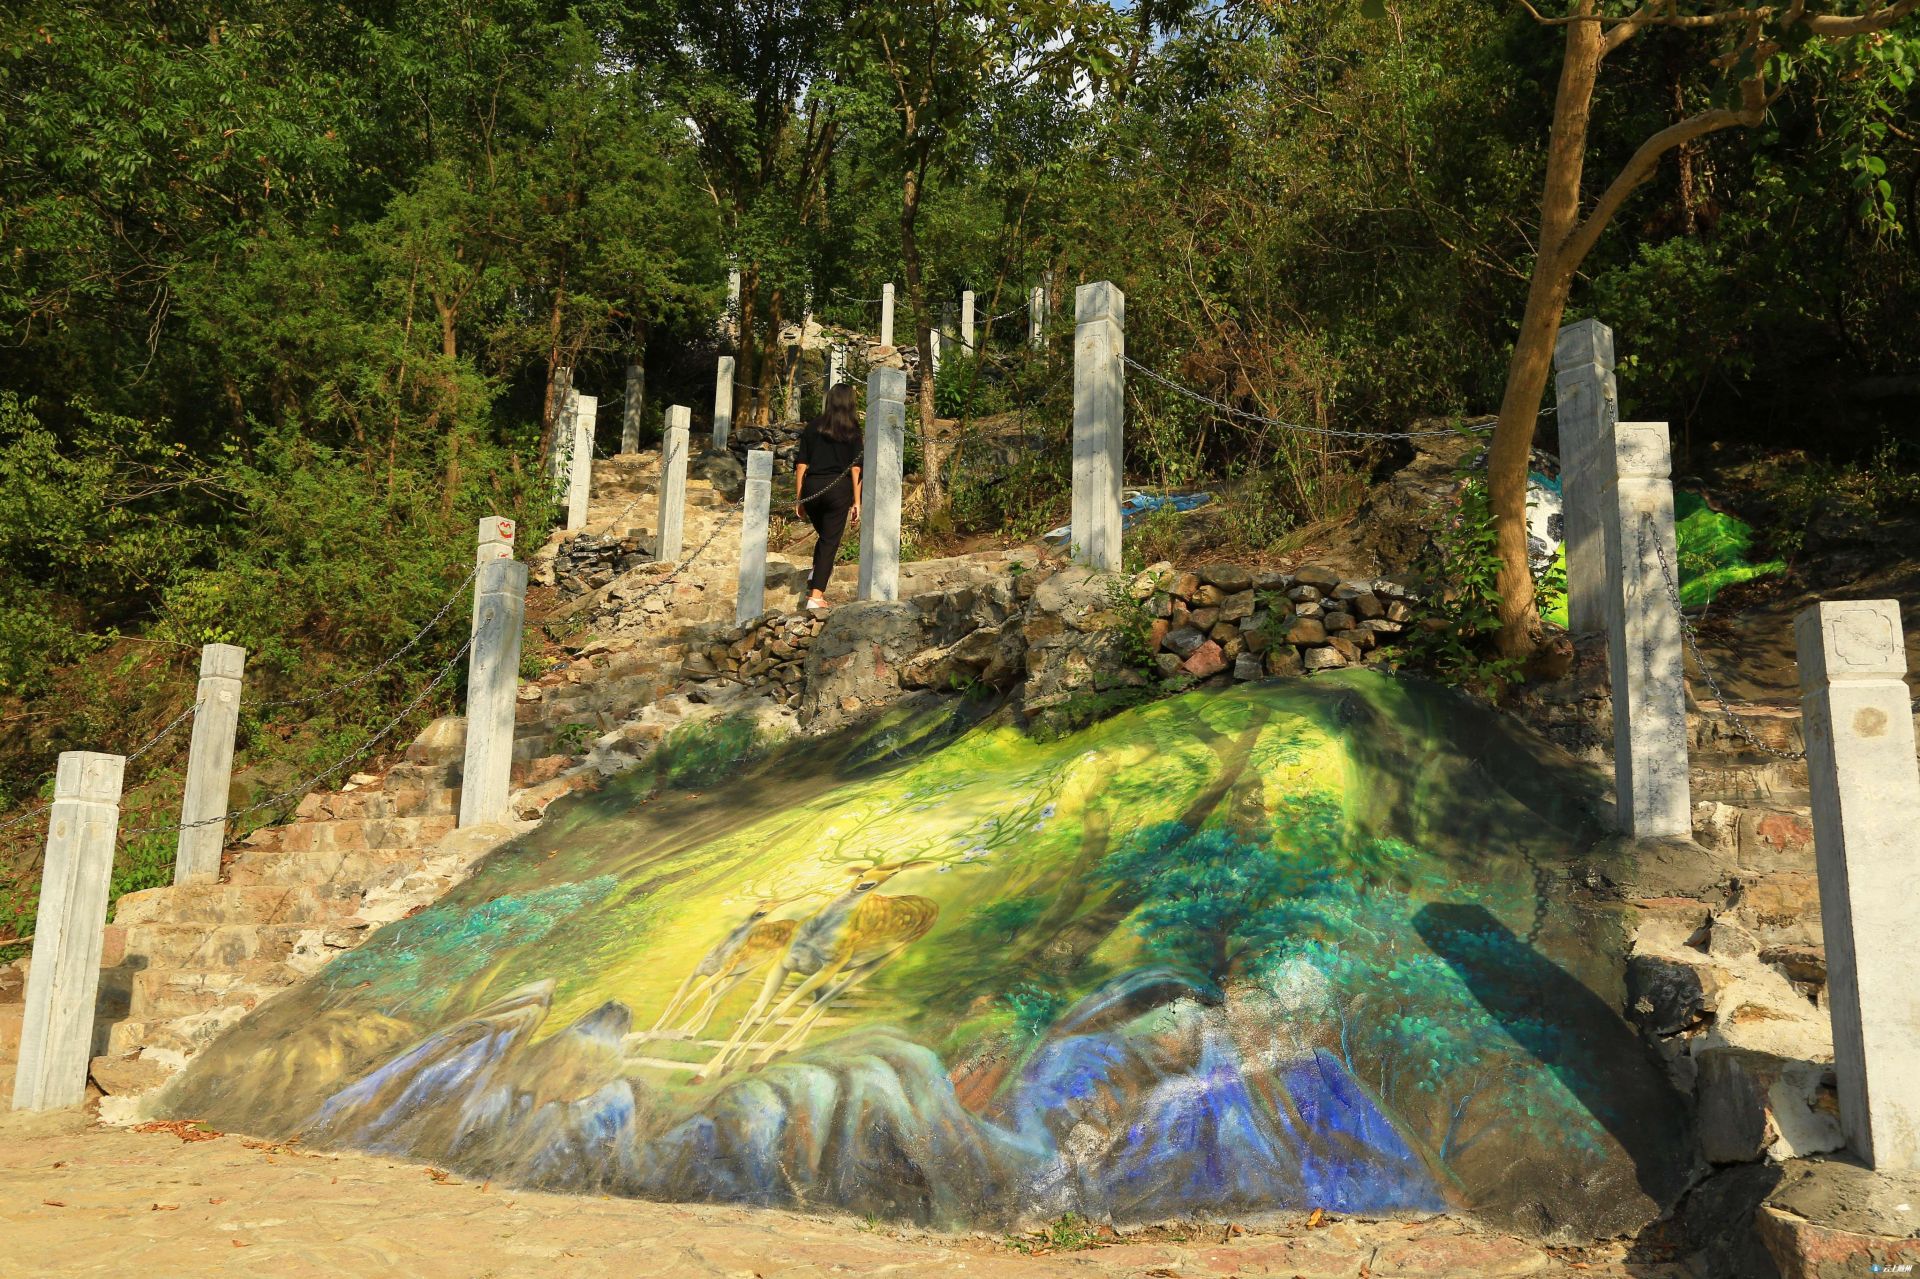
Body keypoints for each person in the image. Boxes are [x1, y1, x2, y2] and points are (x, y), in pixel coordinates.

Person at [793, 383, 863, 611]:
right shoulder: (853, 429)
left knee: (825, 536)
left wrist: (799, 498)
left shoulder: (813, 426)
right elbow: (856, 469)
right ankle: (816, 597)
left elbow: (801, 465)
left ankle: (816, 571)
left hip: (812, 488)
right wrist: (857, 502)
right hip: (838, 488)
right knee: (830, 541)